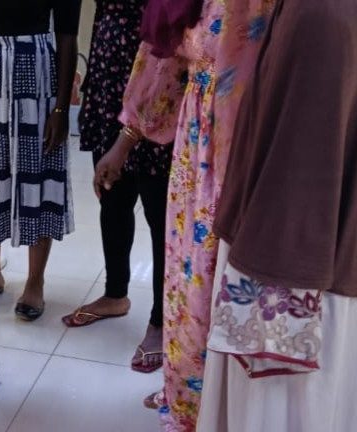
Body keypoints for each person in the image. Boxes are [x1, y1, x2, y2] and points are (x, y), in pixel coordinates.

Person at [94, 0, 275, 430]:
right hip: (197, 152)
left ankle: (225, 408)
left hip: (251, 154)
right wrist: (124, 142)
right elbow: (162, 62)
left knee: (230, 284)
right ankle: (190, 395)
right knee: (191, 275)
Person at [197, 0, 357, 430]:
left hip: (294, 273)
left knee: (280, 410)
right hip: (300, 251)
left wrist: (267, 299)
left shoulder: (323, 14)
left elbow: (303, 166)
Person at [0, 0, 81, 321]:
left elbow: (67, 35)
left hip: (35, 72)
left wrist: (61, 109)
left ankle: (35, 281)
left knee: (37, 177)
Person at [62, 0, 173, 375]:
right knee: (112, 197)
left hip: (158, 86)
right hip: (110, 81)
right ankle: (115, 294)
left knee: (161, 217)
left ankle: (161, 321)